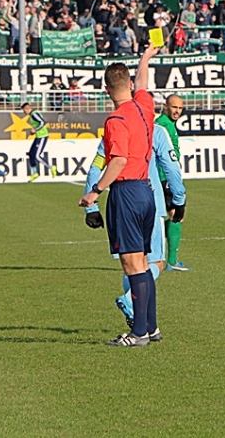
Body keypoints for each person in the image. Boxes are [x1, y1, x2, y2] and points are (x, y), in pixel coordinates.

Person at [78, 46, 160, 347]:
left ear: (105, 88)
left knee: (131, 263)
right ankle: (150, 328)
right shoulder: (143, 106)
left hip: (125, 192)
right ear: (128, 84)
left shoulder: (115, 120)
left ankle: (139, 333)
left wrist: (94, 192)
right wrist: (146, 58)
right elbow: (144, 84)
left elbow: (119, 160)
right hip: (146, 191)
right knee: (142, 260)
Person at [83, 121, 185, 329]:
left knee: (131, 263)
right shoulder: (155, 130)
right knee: (155, 262)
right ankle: (131, 301)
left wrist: (91, 207)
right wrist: (179, 198)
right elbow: (171, 165)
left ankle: (146, 324)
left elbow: (95, 167)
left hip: (119, 202)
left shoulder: (114, 130)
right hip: (150, 200)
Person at [155, 94, 189, 272]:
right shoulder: (163, 124)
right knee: (176, 215)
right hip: (164, 175)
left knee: (173, 215)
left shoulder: (168, 124)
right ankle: (171, 261)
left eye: (180, 108)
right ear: (165, 106)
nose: (177, 111)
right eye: (174, 107)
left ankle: (168, 259)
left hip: (166, 175)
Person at [21, 102, 58, 181]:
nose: (23, 112)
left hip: (42, 136)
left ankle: (51, 167)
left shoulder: (34, 114)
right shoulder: (32, 115)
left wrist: (35, 129)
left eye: (24, 110)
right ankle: (35, 173)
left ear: (26, 109)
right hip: (38, 136)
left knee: (37, 156)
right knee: (31, 154)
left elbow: (42, 122)